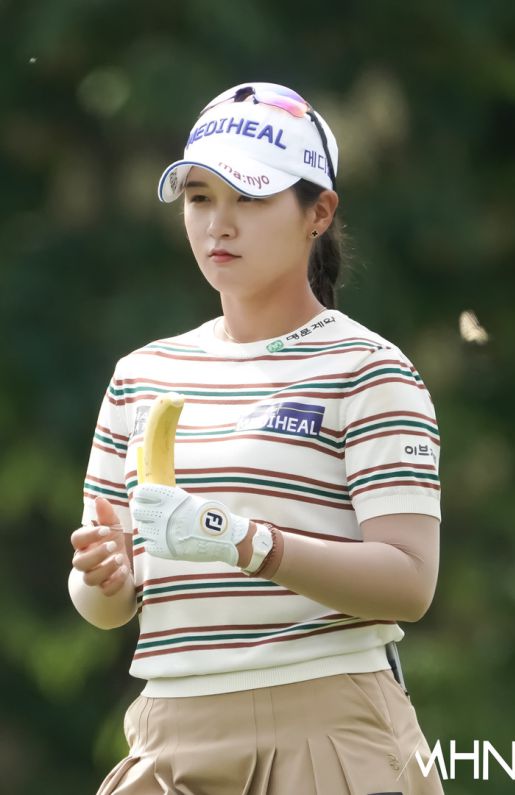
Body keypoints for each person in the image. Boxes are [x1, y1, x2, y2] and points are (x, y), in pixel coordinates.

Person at [69, 82, 444, 795]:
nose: (219, 224)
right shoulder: (142, 374)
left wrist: (244, 541)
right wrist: (103, 576)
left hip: (326, 730)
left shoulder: (368, 369)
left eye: (250, 197)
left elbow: (409, 581)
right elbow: (106, 604)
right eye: (200, 198)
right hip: (168, 737)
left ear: (318, 213)